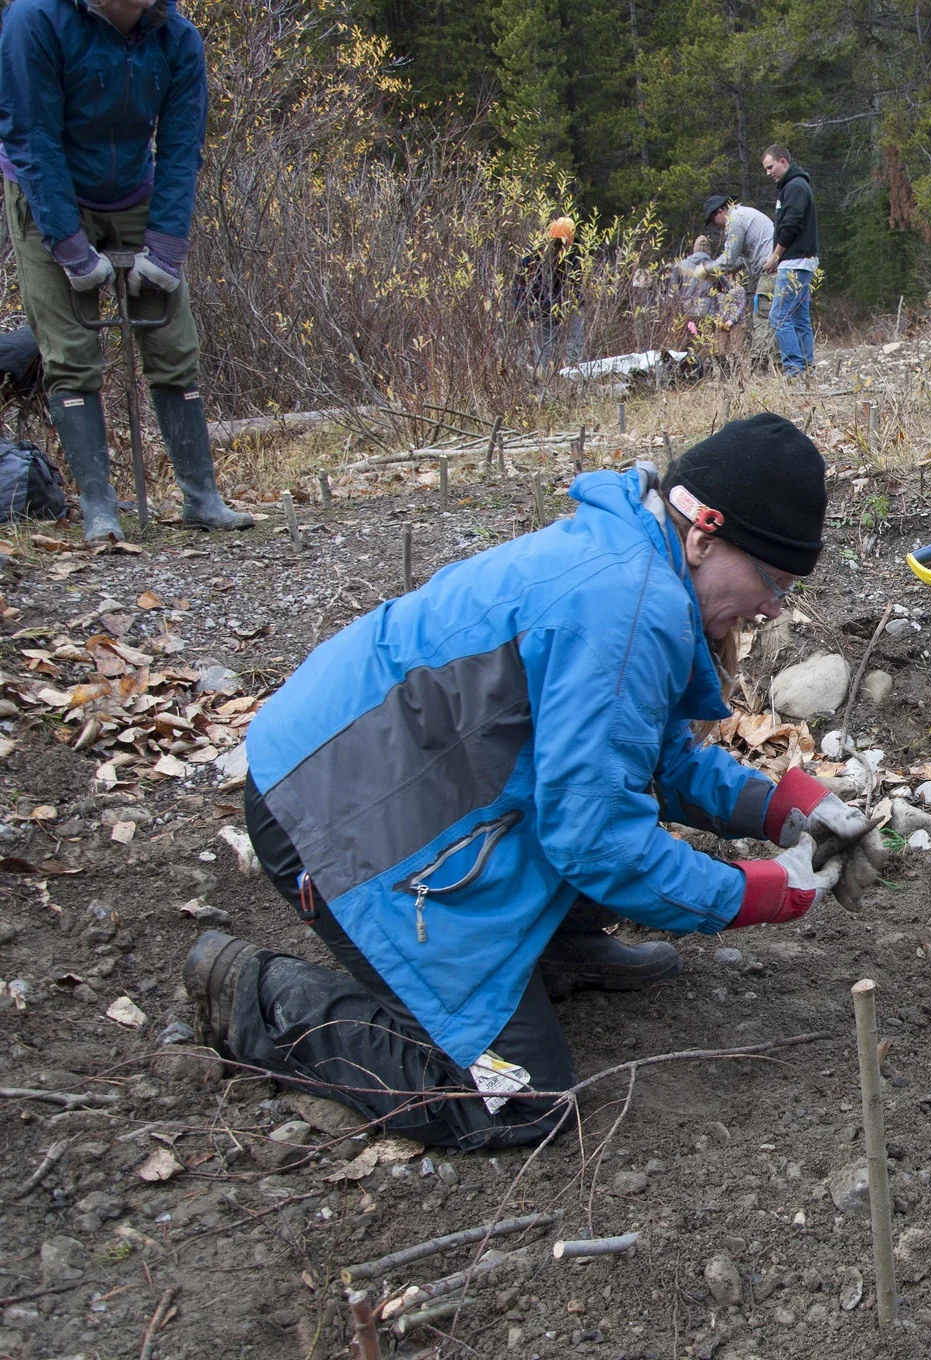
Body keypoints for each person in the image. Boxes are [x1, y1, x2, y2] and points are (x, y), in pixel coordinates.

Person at [183, 414, 888, 1150]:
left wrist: (793, 808)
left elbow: (652, 761)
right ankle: (260, 998)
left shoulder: (640, 559)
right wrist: (759, 892)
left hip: (394, 785)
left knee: (598, 807)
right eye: (772, 579)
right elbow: (595, 841)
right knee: (523, 1099)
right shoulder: (624, 606)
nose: (776, 606)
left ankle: (549, 948)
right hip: (334, 817)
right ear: (704, 537)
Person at [0, 0, 251, 541]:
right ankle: (99, 508)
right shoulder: (34, 20)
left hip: (134, 187)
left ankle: (202, 499)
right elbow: (32, 139)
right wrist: (69, 247)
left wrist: (164, 249)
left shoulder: (178, 38)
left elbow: (182, 148)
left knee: (172, 339)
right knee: (69, 350)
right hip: (47, 188)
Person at [700, 194, 776, 369]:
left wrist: (706, 269)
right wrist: (719, 271)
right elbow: (741, 260)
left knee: (762, 319)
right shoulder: (744, 214)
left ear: (720, 212)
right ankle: (773, 364)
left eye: (713, 220)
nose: (716, 226)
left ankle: (760, 366)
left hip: (770, 270)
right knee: (772, 317)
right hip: (771, 268)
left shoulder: (734, 220)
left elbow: (728, 258)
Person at [762, 144, 818, 377]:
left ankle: (794, 370)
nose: (768, 173)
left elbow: (791, 225)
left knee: (779, 316)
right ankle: (807, 367)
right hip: (802, 262)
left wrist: (775, 256)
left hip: (795, 262)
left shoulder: (795, 187)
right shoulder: (791, 187)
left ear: (783, 162)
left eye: (770, 167)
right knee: (798, 317)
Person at [516, 216, 583, 373]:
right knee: (546, 351)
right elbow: (519, 282)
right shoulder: (533, 254)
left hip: (570, 304)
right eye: (559, 243)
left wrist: (568, 303)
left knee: (574, 345)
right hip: (542, 307)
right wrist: (522, 308)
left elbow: (575, 283)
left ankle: (571, 376)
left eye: (566, 243)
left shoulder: (575, 252)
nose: (562, 247)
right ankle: (546, 378)